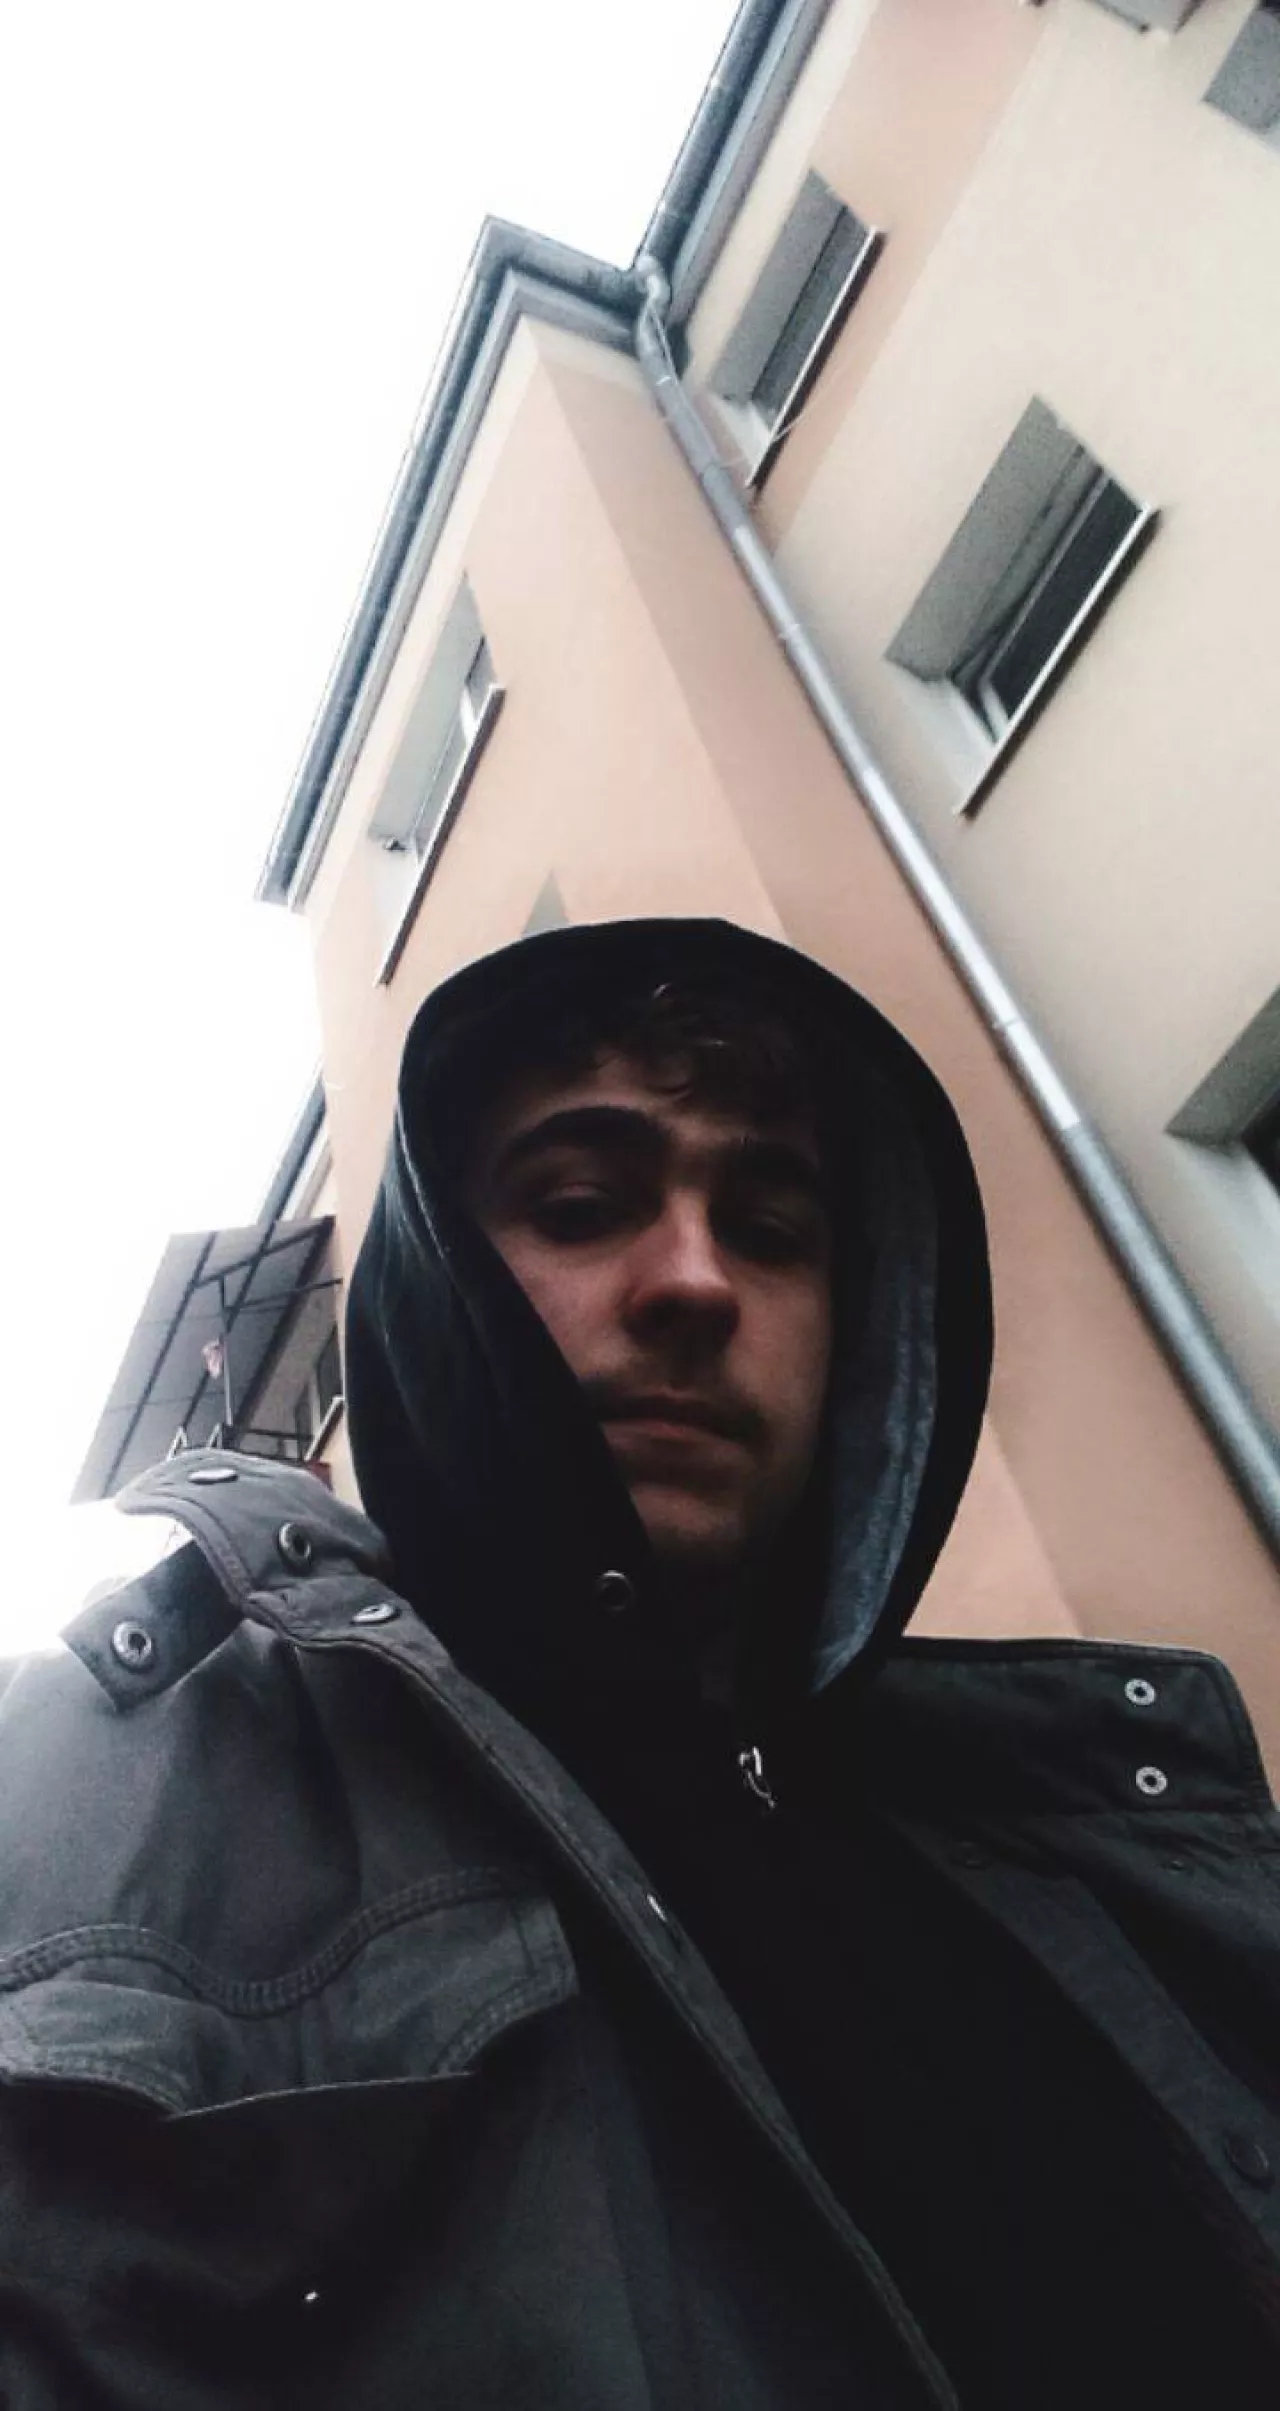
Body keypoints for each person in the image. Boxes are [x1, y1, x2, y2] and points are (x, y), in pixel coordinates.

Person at [1, 916, 1278, 2410]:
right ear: (428, 1290)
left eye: (774, 1231)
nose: (696, 1280)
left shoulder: (1088, 1831)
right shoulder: (98, 1785)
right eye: (582, 1204)